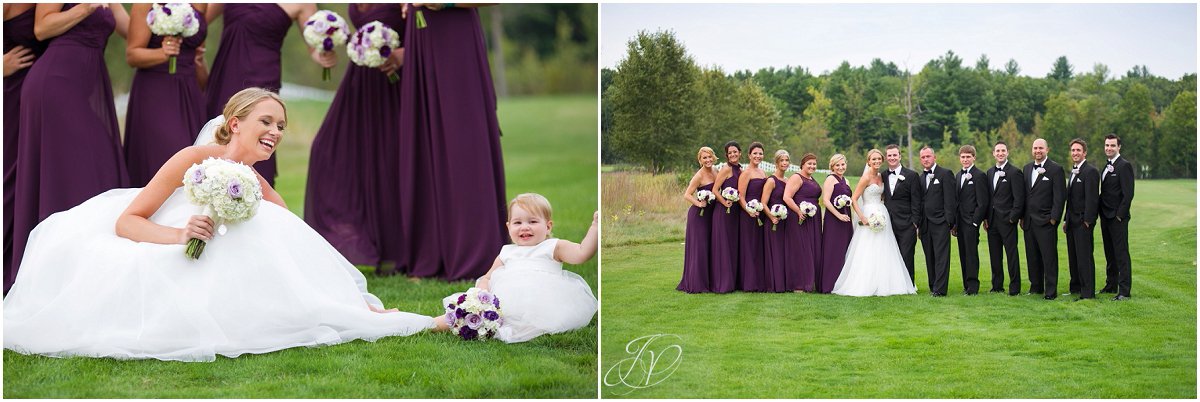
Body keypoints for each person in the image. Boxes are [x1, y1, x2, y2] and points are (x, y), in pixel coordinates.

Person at [4, 88, 433, 362]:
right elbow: (127, 222)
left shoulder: (261, 185)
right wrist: (180, 235)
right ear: (234, 124)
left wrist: (356, 305)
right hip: (171, 253)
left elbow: (300, 252)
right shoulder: (193, 160)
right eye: (266, 122)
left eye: (281, 125)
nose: (276, 132)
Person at [10, 3, 130, 296]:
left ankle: (93, 273)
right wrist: (86, 8)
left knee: (100, 175)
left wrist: (176, 19)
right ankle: (56, 278)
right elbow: (42, 27)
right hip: (56, 83)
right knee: (71, 180)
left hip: (85, 86)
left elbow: (133, 31)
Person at [396, 4, 507, 281]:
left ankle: (474, 253)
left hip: (456, 37)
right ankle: (429, 255)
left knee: (463, 142)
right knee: (423, 142)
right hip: (421, 39)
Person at [303, 4, 407, 272]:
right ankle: (343, 246)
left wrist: (401, 54)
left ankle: (397, 251)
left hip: (394, 81)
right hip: (359, 81)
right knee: (325, 150)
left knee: (389, 159)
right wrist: (331, 40)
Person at [435, 193, 598, 343]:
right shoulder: (507, 252)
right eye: (517, 222)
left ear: (548, 227)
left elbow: (582, 253)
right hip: (506, 304)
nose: (524, 227)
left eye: (532, 221)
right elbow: (487, 277)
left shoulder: (553, 247)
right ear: (508, 227)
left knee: (524, 323)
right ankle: (430, 323)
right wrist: (481, 295)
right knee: (466, 314)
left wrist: (595, 227)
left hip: (543, 303)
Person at [204, 3, 333, 187]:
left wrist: (325, 55)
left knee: (259, 133)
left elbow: (314, 49)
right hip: (226, 76)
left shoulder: (304, 4)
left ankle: (252, 200)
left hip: (262, 80)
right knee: (218, 137)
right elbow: (197, 24)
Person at [124, 3, 209, 187]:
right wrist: (162, 53)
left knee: (198, 164)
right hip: (157, 92)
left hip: (190, 91)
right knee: (168, 159)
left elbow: (197, 55)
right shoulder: (146, 5)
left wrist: (201, 66)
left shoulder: (201, 4)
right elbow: (132, 54)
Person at [3, 2, 47, 295]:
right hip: (7, 95)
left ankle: (22, 270)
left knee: (27, 185)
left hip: (41, 103)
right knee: (7, 184)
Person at [831, 149, 916, 297]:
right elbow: (854, 199)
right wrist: (863, 217)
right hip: (868, 215)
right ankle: (865, 283)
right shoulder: (865, 178)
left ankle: (884, 282)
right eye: (873, 159)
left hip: (882, 215)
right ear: (868, 161)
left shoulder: (882, 176)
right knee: (868, 249)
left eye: (879, 159)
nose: (876, 162)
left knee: (885, 248)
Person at [1022, 138, 1065, 300]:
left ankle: (1050, 291)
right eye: (1035, 148)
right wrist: (1022, 217)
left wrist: (1054, 219)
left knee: (1049, 258)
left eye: (1041, 148)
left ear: (1047, 150)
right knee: (1032, 256)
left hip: (1046, 221)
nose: (1037, 151)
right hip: (1029, 222)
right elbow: (1024, 196)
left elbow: (1060, 197)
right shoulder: (1026, 169)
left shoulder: (1055, 169)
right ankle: (1036, 286)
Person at [985, 141, 1025, 295]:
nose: (1000, 153)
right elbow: (989, 198)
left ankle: (1014, 287)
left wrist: (1012, 218)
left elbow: (1019, 198)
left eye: (1003, 150)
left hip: (1007, 221)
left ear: (1007, 153)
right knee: (995, 255)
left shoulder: (1015, 172)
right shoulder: (989, 173)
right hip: (992, 221)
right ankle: (997, 286)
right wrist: (986, 218)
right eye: (997, 151)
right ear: (993, 154)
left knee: (1011, 255)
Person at [1098, 134, 1135, 301]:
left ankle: (1124, 291)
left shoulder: (1124, 166)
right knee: (1109, 253)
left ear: (1119, 147)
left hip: (1117, 218)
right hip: (1105, 216)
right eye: (1106, 145)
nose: (1109, 148)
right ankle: (1111, 284)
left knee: (1121, 254)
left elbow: (1128, 194)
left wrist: (1119, 216)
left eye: (1112, 145)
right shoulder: (1105, 167)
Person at [1064, 138, 1100, 301]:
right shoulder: (1074, 171)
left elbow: (1092, 199)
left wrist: (1087, 221)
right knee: (1074, 257)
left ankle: (1087, 293)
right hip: (1072, 222)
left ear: (1084, 152)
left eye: (1078, 150)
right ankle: (1076, 287)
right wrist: (1066, 219)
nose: (1075, 153)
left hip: (1083, 222)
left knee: (1084, 257)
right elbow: (1070, 199)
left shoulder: (1090, 171)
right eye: (1073, 150)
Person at [919, 146, 957, 297]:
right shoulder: (921, 178)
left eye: (928, 156)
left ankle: (940, 289)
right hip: (925, 224)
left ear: (934, 157)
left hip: (941, 222)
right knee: (929, 256)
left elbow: (950, 199)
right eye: (923, 157)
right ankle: (932, 285)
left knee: (941, 257)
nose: (926, 159)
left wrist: (949, 221)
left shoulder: (945, 174)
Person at [882, 144, 922, 285]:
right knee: (890, 255)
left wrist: (914, 222)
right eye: (889, 155)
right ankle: (892, 285)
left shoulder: (912, 175)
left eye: (895, 155)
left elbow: (917, 201)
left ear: (900, 156)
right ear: (886, 158)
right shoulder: (883, 175)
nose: (892, 158)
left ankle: (908, 285)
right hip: (887, 223)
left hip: (907, 223)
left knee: (907, 255)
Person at [677, 147, 716, 293]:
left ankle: (709, 281)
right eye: (704, 158)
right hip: (698, 217)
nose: (708, 160)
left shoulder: (715, 172)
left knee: (709, 247)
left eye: (709, 157)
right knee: (699, 248)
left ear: (713, 157)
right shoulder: (699, 176)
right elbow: (687, 194)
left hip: (711, 216)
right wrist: (699, 203)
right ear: (700, 160)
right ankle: (696, 283)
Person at [782, 152, 821, 292]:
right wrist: (799, 211)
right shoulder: (796, 177)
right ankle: (798, 284)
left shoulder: (811, 178)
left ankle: (810, 282)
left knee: (811, 249)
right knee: (800, 249)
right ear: (802, 164)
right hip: (799, 217)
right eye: (809, 163)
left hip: (813, 218)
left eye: (814, 164)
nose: (812, 166)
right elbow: (787, 197)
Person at [954, 145, 989, 295]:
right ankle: (966, 285)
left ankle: (973, 286)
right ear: (959, 158)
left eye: (968, 156)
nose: (965, 159)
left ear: (974, 157)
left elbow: (983, 202)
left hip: (971, 222)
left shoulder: (979, 175)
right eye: (963, 157)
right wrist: (955, 223)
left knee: (971, 254)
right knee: (963, 254)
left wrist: (975, 222)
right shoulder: (957, 175)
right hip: (960, 222)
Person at [708, 141, 742, 293]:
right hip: (723, 212)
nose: (733, 154)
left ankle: (734, 281)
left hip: (736, 213)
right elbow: (715, 189)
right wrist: (724, 202)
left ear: (740, 153)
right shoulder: (726, 169)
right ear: (727, 155)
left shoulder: (740, 169)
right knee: (724, 247)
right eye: (730, 153)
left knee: (733, 246)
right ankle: (723, 283)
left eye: (735, 152)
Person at [735, 142, 768, 291]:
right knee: (749, 246)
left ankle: (760, 281)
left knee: (758, 246)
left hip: (761, 213)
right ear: (749, 155)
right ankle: (748, 282)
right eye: (755, 153)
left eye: (760, 153)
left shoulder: (763, 173)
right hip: (748, 214)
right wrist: (748, 210)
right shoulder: (746, 173)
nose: (758, 156)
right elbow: (740, 196)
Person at [818, 154, 853, 294]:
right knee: (833, 250)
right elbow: (826, 200)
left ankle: (842, 284)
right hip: (834, 219)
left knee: (844, 249)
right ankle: (829, 284)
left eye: (842, 164)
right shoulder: (830, 179)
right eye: (837, 165)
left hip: (846, 217)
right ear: (832, 166)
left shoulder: (847, 180)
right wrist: (838, 215)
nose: (840, 167)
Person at [760, 150, 791, 292]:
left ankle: (784, 283)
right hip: (772, 222)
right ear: (776, 163)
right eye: (782, 160)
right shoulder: (771, 181)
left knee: (784, 252)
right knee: (775, 252)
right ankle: (773, 284)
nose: (784, 163)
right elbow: (763, 203)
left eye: (786, 160)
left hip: (785, 221)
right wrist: (772, 217)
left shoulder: (788, 180)